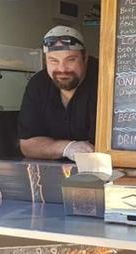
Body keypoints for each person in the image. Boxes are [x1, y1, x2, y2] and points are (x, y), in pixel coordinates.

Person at [18, 25, 98, 161]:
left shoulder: (106, 80)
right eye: (53, 60)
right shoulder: (38, 84)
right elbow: (27, 144)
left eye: (71, 59)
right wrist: (67, 148)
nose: (62, 69)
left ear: (85, 57)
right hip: (52, 174)